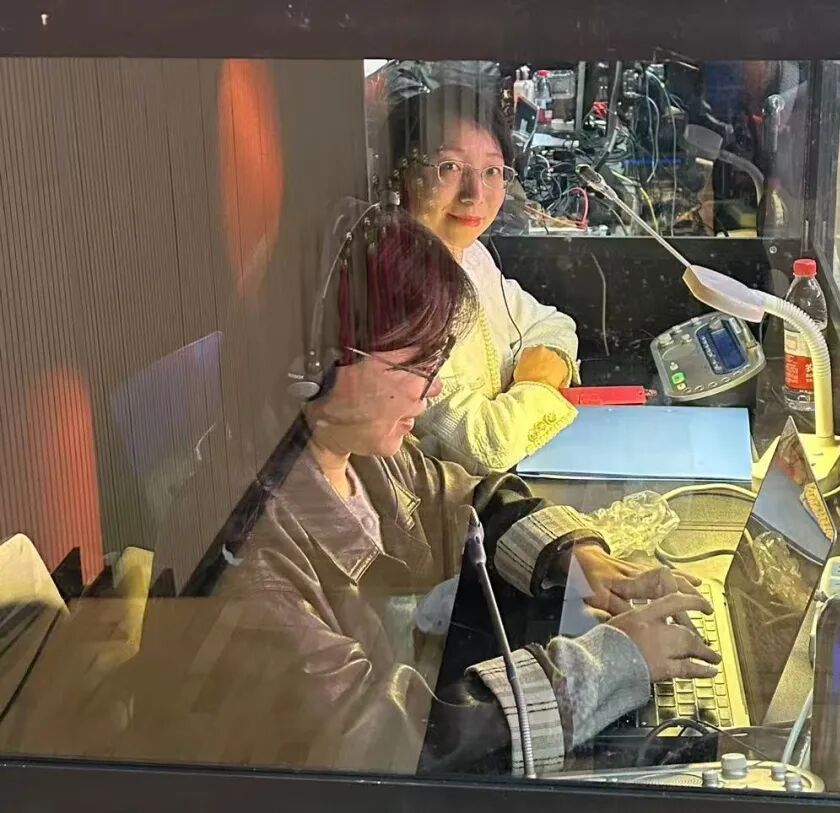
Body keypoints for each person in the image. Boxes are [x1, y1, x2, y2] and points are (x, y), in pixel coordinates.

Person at [127, 206, 717, 776]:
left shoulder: (344, 450)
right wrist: (607, 664)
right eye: (417, 365)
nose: (433, 391)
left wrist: (579, 558)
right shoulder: (251, 566)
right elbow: (390, 741)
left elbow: (464, 502)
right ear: (316, 366)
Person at [385, 83, 580, 473]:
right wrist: (537, 383)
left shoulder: (471, 256)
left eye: (492, 171)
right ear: (400, 174)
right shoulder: (396, 291)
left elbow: (554, 324)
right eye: (450, 167)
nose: (474, 194)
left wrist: (538, 374)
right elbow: (486, 446)